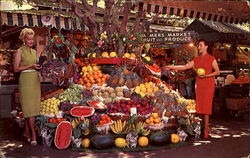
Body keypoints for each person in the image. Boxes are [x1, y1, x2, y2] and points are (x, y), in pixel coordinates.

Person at [162, 39, 220, 139]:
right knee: (200, 106)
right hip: (199, 84)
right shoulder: (196, 59)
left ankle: (206, 129)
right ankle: (201, 127)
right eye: (198, 45)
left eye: (201, 45)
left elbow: (217, 72)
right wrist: (172, 67)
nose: (199, 47)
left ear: (206, 47)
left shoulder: (211, 58)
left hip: (208, 84)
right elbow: (185, 66)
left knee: (206, 107)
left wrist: (206, 75)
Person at [13, 28, 41, 146]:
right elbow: (15, 68)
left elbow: (36, 66)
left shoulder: (34, 52)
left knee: (34, 109)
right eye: (28, 39)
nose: (30, 41)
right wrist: (30, 66)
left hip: (35, 81)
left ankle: (27, 132)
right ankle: (33, 134)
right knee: (29, 109)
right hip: (25, 81)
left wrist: (38, 67)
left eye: (32, 39)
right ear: (23, 39)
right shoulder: (19, 51)